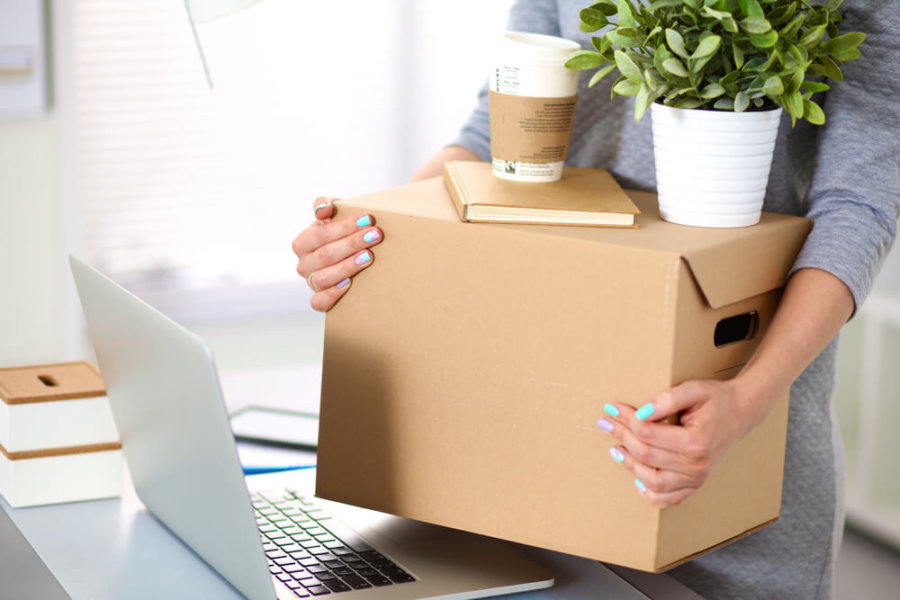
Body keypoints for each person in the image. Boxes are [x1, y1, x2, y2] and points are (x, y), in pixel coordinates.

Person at [291, 1, 900, 597]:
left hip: (725, 436)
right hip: (522, 441)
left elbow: (859, 206)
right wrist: (370, 235)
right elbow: (493, 136)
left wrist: (748, 398)